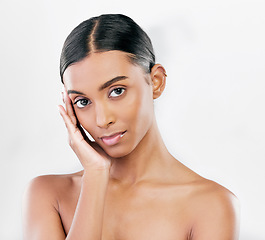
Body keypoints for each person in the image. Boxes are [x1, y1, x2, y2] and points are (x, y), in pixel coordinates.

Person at [22, 14, 240, 240]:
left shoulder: (211, 205)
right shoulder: (48, 195)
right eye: (83, 102)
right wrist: (95, 175)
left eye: (116, 91)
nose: (101, 120)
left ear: (156, 82)